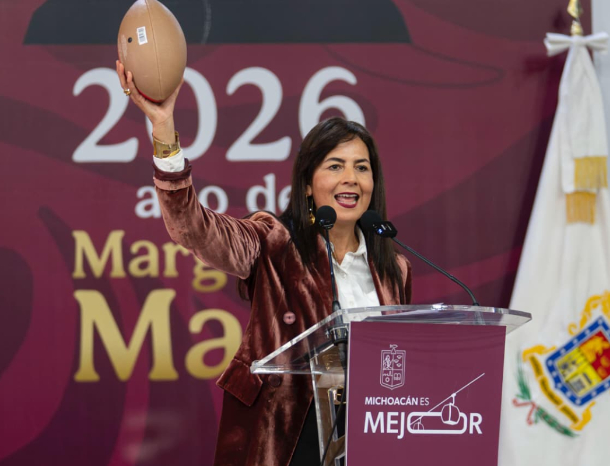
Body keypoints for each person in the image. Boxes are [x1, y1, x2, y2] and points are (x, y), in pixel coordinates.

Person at [116, 62, 412, 466]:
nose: (351, 178)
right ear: (307, 185)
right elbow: (194, 228)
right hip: (287, 441)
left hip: (368, 440)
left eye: (362, 167)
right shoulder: (274, 242)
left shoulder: (394, 268)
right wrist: (164, 129)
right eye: (335, 166)